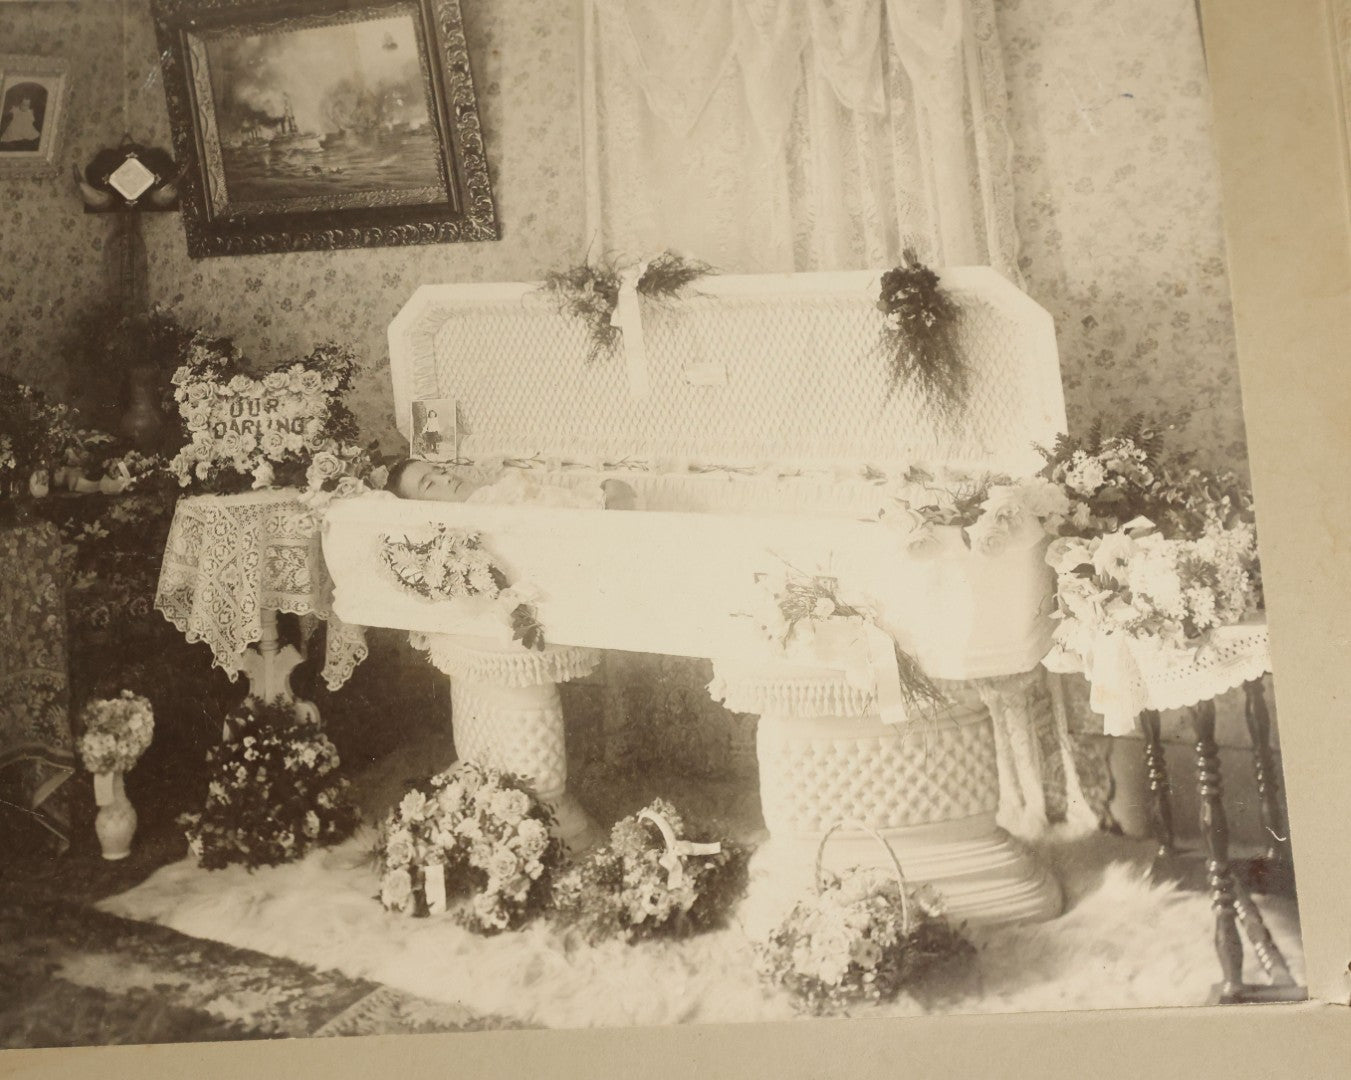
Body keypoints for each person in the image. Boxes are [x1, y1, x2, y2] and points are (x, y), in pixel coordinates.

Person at [386, 457, 637, 510]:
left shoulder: (494, 490)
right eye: (428, 485)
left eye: (439, 470)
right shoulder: (488, 510)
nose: (446, 477)